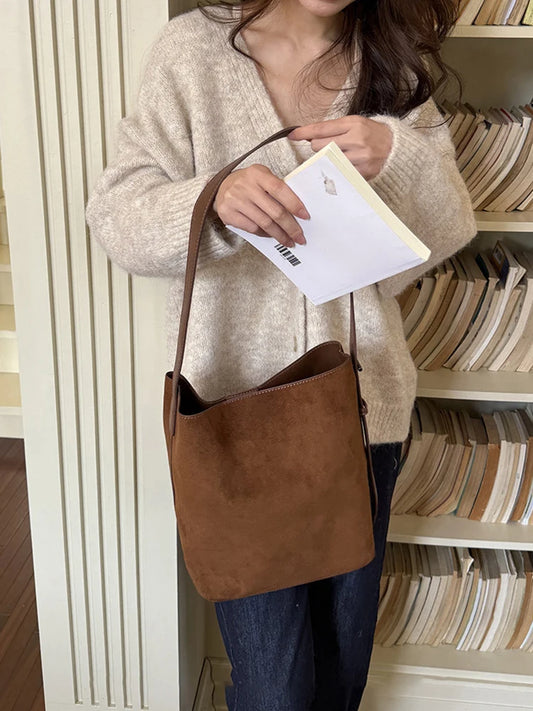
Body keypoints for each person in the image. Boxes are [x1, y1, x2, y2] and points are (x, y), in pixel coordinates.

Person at [85, 0, 477, 708]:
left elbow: (450, 224)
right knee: (275, 688)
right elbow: (117, 218)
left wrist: (398, 158)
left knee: (341, 670)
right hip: (234, 422)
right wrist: (213, 200)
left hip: (362, 412)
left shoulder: (390, 58)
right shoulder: (191, 52)